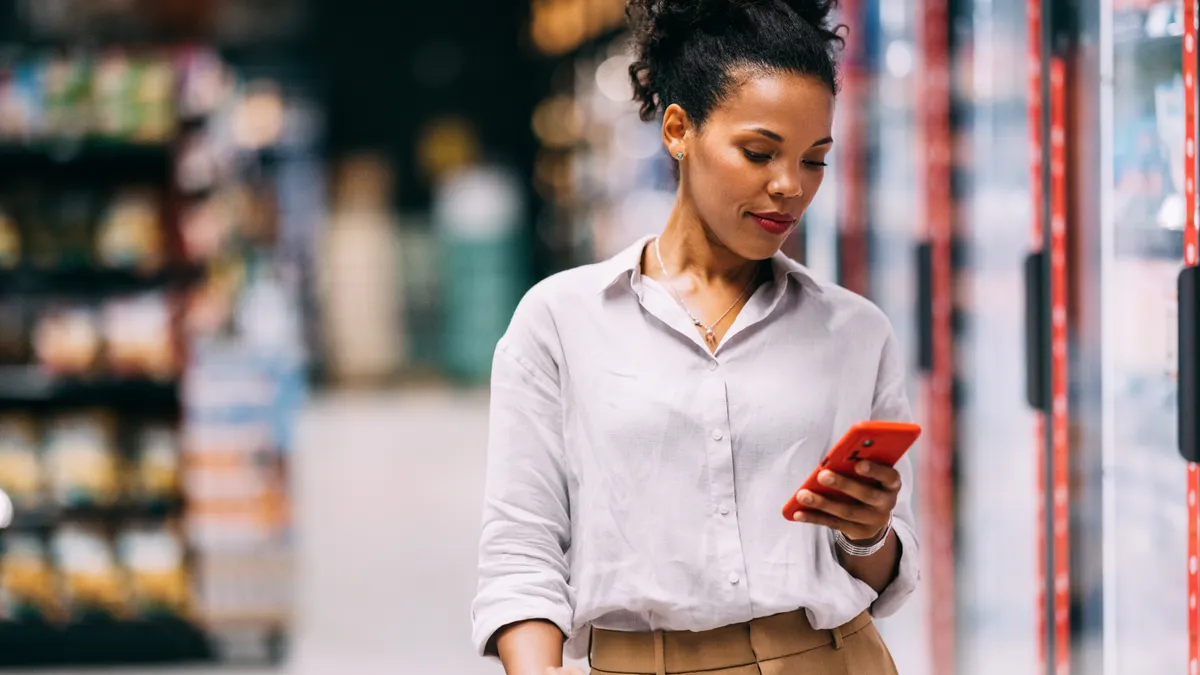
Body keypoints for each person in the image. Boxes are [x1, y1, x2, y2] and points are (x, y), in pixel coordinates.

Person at [471, 1, 919, 673]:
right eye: (759, 152)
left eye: (814, 160)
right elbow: (522, 552)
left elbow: (884, 573)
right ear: (678, 130)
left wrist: (868, 531)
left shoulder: (856, 332)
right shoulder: (561, 320)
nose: (788, 187)